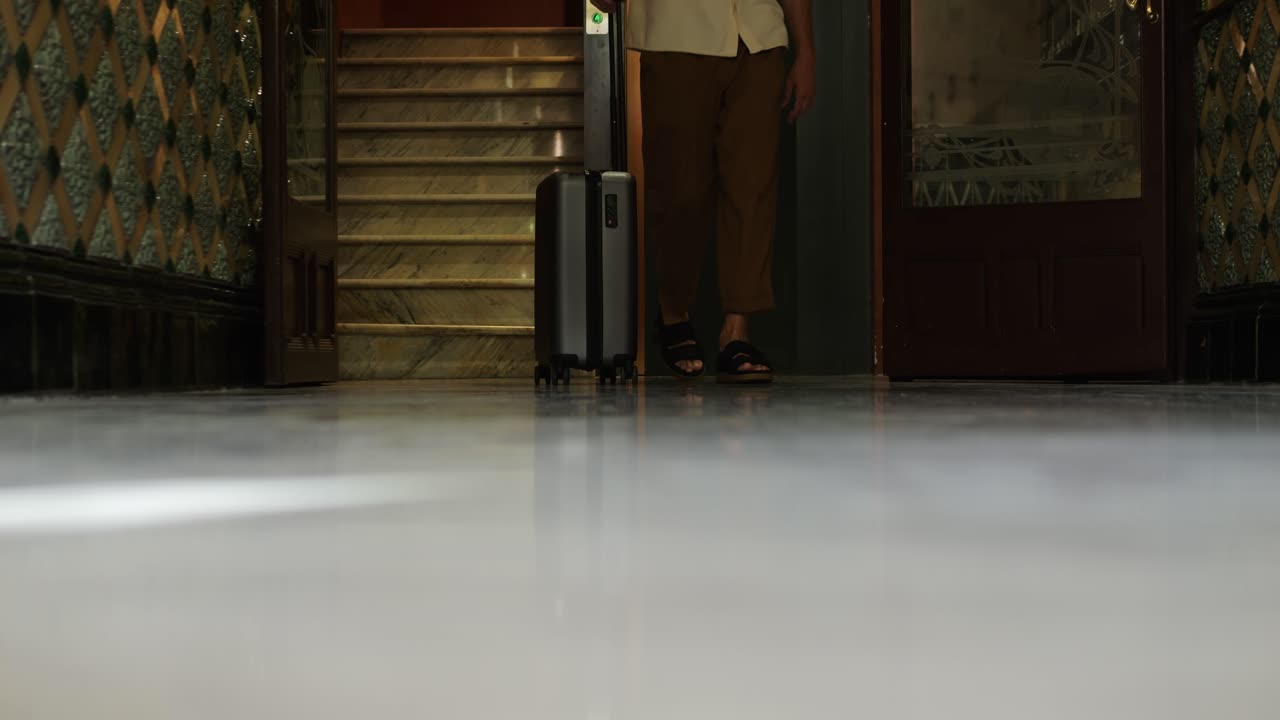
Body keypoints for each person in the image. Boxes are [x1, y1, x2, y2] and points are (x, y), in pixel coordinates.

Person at [590, 0, 816, 384]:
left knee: (753, 186)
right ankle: (674, 311)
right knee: (679, 187)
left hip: (758, 35)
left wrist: (806, 50)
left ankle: (736, 331)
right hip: (677, 33)